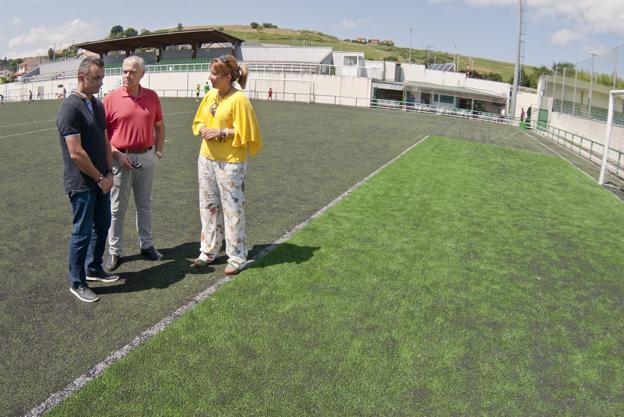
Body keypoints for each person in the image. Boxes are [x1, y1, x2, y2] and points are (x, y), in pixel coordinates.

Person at [191, 55, 262, 274]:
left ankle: (237, 256)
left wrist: (222, 132)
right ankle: (208, 250)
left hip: (230, 163)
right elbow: (200, 119)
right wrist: (203, 128)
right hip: (206, 159)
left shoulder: (239, 99)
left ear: (227, 76)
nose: (210, 77)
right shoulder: (211, 94)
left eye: (214, 74)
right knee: (208, 206)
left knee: (233, 210)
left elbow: (248, 131)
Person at [55, 57, 119, 303]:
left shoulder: (97, 104)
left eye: (102, 78)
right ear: (82, 77)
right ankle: (77, 281)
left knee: (102, 225)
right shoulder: (70, 108)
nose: (100, 83)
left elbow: (104, 140)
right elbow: (76, 153)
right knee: (81, 232)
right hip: (81, 183)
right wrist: (100, 177)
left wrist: (109, 172)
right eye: (96, 78)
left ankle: (94, 268)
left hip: (101, 178)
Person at [103, 55, 165, 271]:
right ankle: (114, 252)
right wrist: (116, 154)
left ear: (142, 74)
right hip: (120, 159)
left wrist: (157, 152)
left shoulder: (152, 96)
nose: (127, 75)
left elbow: (159, 125)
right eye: (124, 71)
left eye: (132, 72)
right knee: (117, 208)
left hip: (147, 157)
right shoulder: (110, 99)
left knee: (145, 205)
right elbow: (101, 135)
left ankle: (146, 245)